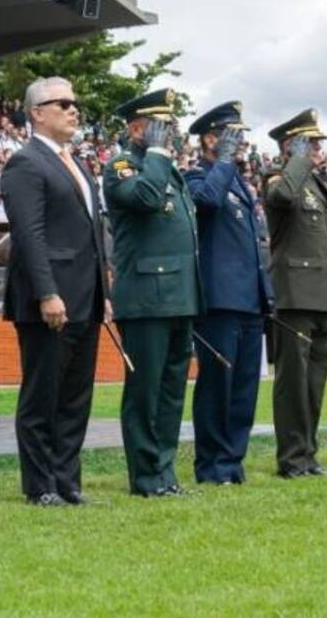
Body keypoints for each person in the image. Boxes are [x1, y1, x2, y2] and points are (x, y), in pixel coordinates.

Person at [1, 76, 111, 507]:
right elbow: (30, 234)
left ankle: (68, 480)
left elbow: (90, 234)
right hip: (49, 297)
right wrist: (47, 293)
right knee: (43, 393)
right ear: (36, 113)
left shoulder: (77, 164)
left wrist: (101, 287)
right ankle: (40, 483)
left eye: (74, 103)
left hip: (85, 294)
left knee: (75, 395)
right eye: (61, 103)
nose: (73, 109)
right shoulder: (26, 163)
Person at [103, 89, 201, 497]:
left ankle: (165, 472)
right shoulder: (123, 165)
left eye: (170, 126)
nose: (169, 133)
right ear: (136, 128)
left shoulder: (168, 170)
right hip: (146, 296)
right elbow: (142, 198)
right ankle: (145, 477)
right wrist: (158, 154)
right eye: (160, 126)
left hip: (179, 293)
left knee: (172, 390)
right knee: (145, 391)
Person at [184, 102, 275, 485]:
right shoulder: (195, 175)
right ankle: (211, 465)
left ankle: (232, 462)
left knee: (243, 388)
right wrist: (222, 161)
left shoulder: (239, 181)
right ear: (210, 139)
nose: (240, 144)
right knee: (217, 385)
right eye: (232, 137)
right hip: (219, 298)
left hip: (249, 299)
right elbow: (206, 203)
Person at [262, 108, 327, 479]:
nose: (319, 147)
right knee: (293, 381)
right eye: (311, 141)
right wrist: (296, 160)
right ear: (291, 145)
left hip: (321, 294)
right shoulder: (280, 177)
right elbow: (281, 200)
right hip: (294, 293)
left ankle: (309, 454)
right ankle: (292, 458)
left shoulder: (315, 182)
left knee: (314, 381)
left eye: (319, 142)